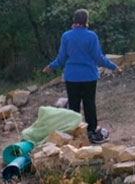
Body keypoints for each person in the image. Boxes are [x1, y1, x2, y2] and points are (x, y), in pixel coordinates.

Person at [43, 9, 120, 144]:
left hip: (71, 77)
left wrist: (51, 66)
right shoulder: (92, 36)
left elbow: (61, 58)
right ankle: (91, 132)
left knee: (73, 104)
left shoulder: (66, 36)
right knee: (89, 103)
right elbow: (98, 58)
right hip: (89, 76)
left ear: (74, 20)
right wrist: (113, 66)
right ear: (86, 21)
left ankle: (74, 132)